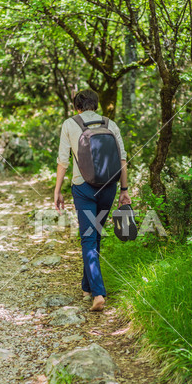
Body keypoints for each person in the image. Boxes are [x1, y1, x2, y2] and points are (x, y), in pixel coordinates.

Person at [54, 89, 131, 311]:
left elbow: (63, 160)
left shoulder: (70, 124)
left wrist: (57, 190)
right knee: (95, 235)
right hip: (109, 187)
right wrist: (124, 189)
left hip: (83, 188)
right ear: (96, 105)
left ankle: (98, 293)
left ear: (76, 106)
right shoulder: (110, 124)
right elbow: (122, 158)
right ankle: (87, 286)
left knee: (88, 238)